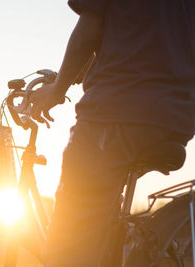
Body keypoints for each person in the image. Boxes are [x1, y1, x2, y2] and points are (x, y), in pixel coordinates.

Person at [30, 0, 195, 266]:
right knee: (103, 232)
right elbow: (155, 41)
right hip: (175, 118)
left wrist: (56, 89)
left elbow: (91, 26)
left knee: (68, 249)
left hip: (116, 114)